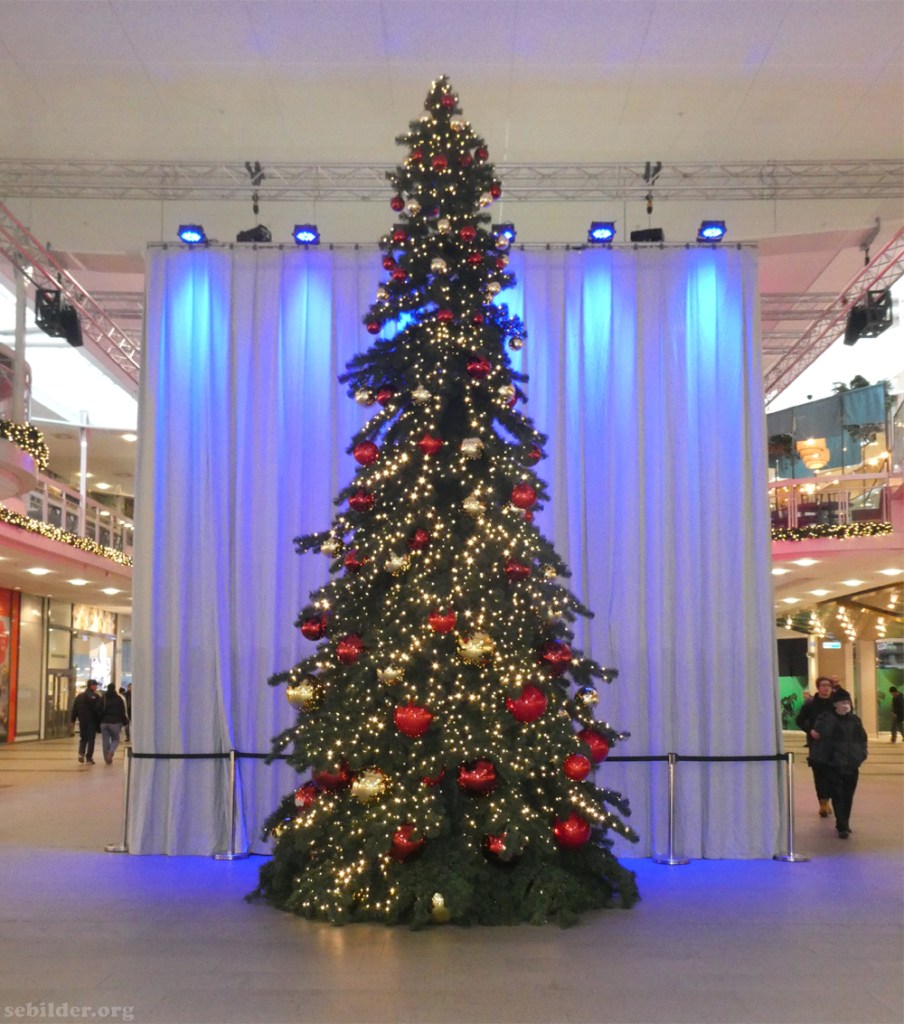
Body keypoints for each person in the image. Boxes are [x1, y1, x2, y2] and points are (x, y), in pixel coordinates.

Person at [809, 689, 868, 839]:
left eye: (847, 702)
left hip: (852, 764)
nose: (846, 705)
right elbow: (822, 732)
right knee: (837, 794)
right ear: (835, 704)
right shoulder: (826, 718)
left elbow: (862, 738)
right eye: (842, 702)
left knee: (848, 795)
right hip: (833, 764)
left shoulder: (855, 720)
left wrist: (862, 754)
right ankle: (842, 825)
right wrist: (835, 717)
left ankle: (845, 821)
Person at [795, 676, 837, 817]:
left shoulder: (836, 703)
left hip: (834, 745)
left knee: (832, 774)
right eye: (823, 685)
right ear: (818, 687)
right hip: (817, 744)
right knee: (819, 774)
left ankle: (828, 799)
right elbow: (799, 720)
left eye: (828, 685)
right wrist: (810, 730)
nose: (826, 688)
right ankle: (822, 803)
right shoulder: (810, 704)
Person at [69, 679, 102, 764]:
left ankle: (81, 754)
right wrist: (100, 720)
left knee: (83, 738)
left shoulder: (80, 696)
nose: (96, 687)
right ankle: (89, 758)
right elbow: (99, 710)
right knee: (91, 739)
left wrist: (73, 720)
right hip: (92, 721)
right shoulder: (96, 697)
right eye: (95, 685)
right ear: (92, 686)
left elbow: (74, 709)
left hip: (82, 720)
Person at [98, 682, 129, 765]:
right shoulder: (118, 699)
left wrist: (100, 719)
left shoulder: (103, 698)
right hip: (115, 723)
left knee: (105, 741)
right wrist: (125, 722)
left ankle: (107, 760)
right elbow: (122, 711)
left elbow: (97, 709)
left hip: (104, 722)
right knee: (116, 739)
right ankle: (111, 751)